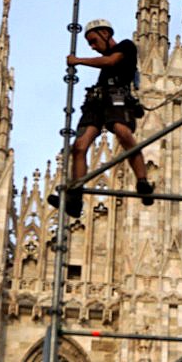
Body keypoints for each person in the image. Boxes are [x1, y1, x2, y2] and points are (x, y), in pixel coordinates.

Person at [48, 19, 155, 219]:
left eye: (94, 41)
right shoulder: (104, 66)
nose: (93, 46)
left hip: (117, 97)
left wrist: (78, 61)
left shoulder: (126, 47)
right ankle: (75, 199)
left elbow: (111, 61)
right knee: (79, 146)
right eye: (90, 43)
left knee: (123, 132)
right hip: (96, 102)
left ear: (105, 33)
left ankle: (143, 182)